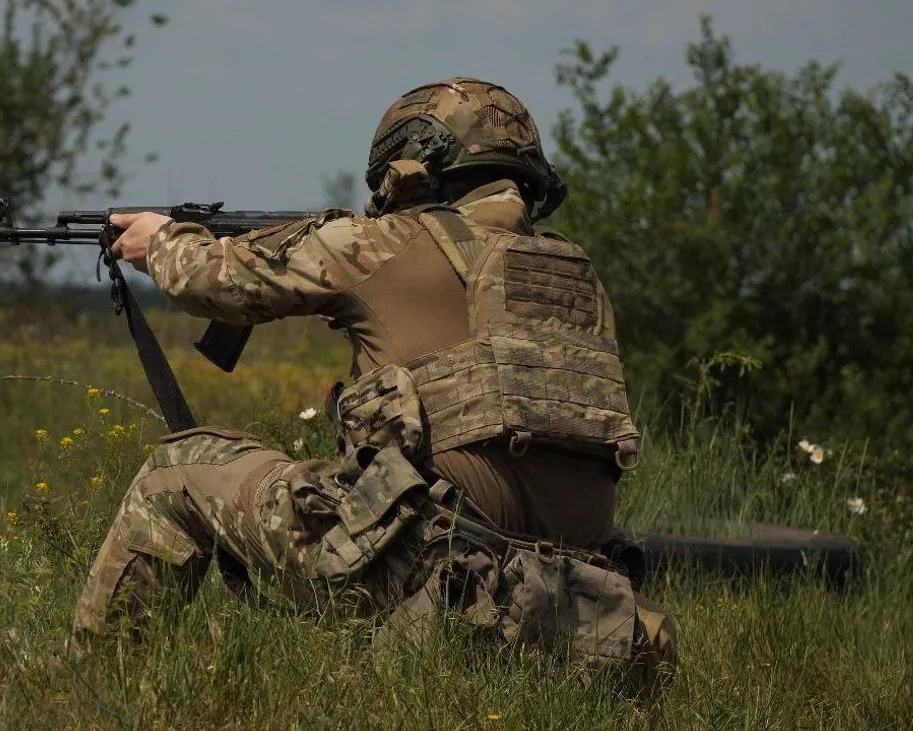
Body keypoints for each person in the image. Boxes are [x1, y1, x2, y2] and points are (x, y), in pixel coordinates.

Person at [73, 77, 677, 696]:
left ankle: (94, 689)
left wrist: (162, 240)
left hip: (428, 570)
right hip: (570, 596)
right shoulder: (579, 281)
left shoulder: (386, 244)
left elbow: (212, 281)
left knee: (175, 471)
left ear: (413, 162)